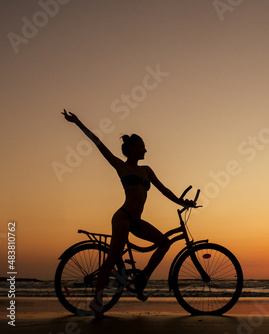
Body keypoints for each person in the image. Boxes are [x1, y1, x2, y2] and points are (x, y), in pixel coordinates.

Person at [61, 109, 194, 319]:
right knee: (113, 257)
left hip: (137, 221)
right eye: (142, 146)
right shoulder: (120, 166)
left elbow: (164, 190)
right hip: (123, 217)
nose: (146, 150)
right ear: (132, 148)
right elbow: (97, 143)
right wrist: (77, 122)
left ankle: (143, 279)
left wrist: (182, 201)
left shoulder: (147, 170)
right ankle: (97, 304)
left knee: (165, 243)